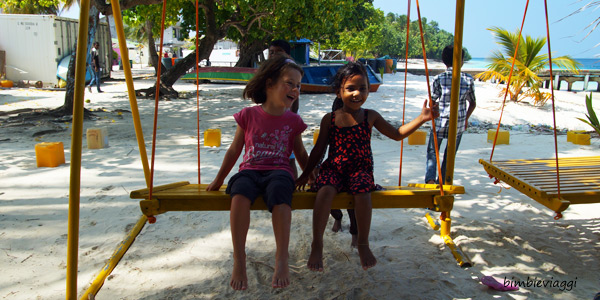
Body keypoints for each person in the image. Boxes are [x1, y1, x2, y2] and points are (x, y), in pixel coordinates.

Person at [296, 62, 438, 271]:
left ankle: (362, 242)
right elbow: (318, 150)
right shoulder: (331, 119)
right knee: (324, 191)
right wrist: (305, 174)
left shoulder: (370, 116)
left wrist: (422, 118)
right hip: (333, 169)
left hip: (360, 171)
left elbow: (397, 134)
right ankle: (317, 243)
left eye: (362, 88)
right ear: (338, 92)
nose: (357, 94)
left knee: (363, 193)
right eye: (350, 89)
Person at [206, 54, 310, 290]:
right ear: (270, 84)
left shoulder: (293, 120)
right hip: (251, 170)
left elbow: (301, 155)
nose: (295, 89)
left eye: (298, 85)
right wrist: (219, 179)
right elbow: (234, 151)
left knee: (281, 195)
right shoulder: (249, 115)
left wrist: (311, 177)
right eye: (289, 83)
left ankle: (281, 259)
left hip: (279, 170)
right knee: (239, 193)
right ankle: (239, 259)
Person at [424, 45, 476, 185]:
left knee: (432, 152)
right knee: (450, 154)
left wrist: (433, 111)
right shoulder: (468, 80)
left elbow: (432, 102)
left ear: (444, 61)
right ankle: (444, 181)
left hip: (440, 122)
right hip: (457, 124)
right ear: (462, 60)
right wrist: (465, 119)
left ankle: (430, 181)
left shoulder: (439, 78)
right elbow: (472, 103)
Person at [268, 39, 301, 178]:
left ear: (287, 54)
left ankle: (294, 183)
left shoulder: (290, 69)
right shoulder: (270, 68)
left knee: (291, 154)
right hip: (271, 116)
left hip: (286, 117)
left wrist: (292, 117)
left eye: (278, 52)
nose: (274, 55)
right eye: (271, 52)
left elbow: (295, 97)